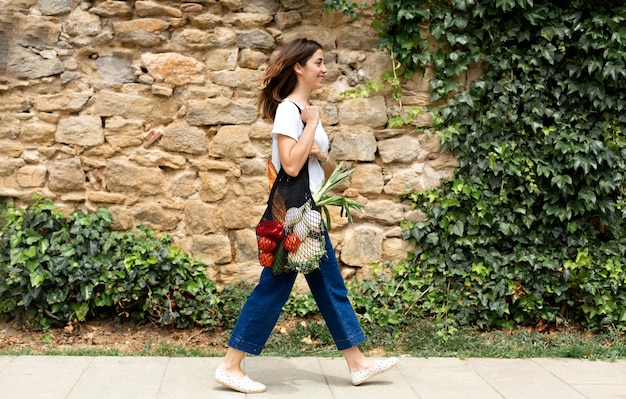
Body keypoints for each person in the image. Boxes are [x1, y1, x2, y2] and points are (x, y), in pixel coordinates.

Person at [214, 38, 399, 394]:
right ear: (298, 67)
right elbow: (290, 164)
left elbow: (325, 170)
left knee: (329, 287)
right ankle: (230, 366)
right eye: (318, 62)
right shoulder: (290, 110)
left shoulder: (307, 110)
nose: (324, 69)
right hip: (292, 214)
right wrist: (311, 125)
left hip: (307, 212)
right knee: (274, 287)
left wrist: (319, 149)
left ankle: (357, 363)